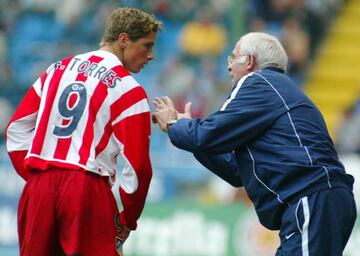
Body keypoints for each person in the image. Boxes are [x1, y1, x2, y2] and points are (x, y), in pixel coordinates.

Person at [152, 32, 357, 255]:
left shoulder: (257, 82)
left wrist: (174, 124)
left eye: (233, 58)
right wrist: (190, 136)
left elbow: (207, 135)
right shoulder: (276, 90)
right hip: (319, 199)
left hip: (311, 198)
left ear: (249, 61)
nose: (229, 67)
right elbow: (236, 172)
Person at [5, 7, 162, 256]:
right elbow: (138, 165)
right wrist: (128, 218)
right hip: (87, 188)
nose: (151, 55)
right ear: (123, 40)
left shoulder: (56, 70)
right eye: (147, 45)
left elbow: (15, 130)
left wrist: (36, 176)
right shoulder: (130, 91)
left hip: (40, 186)